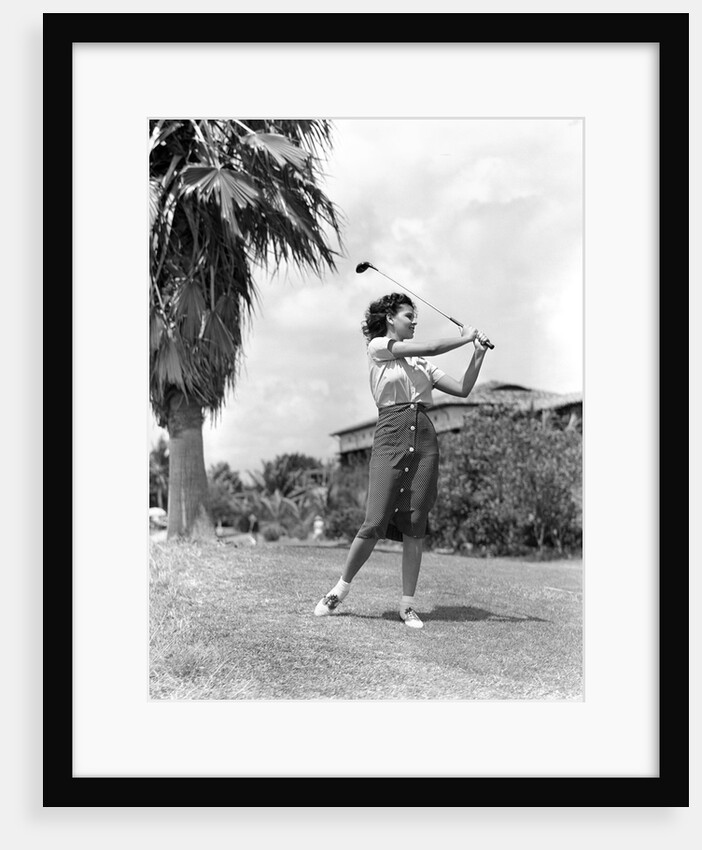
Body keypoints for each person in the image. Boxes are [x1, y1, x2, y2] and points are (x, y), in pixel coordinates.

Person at [314, 292, 489, 629]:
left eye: (415, 317)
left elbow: (463, 389)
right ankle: (339, 590)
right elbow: (430, 347)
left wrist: (476, 353)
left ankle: (407, 606)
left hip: (424, 439)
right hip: (390, 435)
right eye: (409, 316)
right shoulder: (379, 347)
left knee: (415, 521)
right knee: (375, 520)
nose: (414, 322)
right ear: (390, 318)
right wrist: (463, 337)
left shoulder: (423, 366)